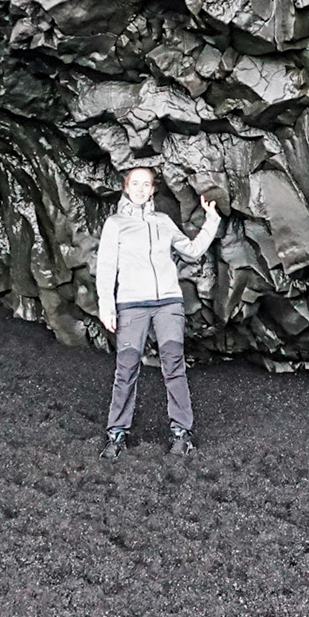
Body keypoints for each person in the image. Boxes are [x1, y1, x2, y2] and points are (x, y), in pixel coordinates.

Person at [94, 166, 221, 459]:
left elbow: (192, 250)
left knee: (174, 365)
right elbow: (106, 267)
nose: (140, 189)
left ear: (153, 190)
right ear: (126, 188)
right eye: (135, 183)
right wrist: (106, 306)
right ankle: (116, 434)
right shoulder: (115, 224)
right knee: (126, 368)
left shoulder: (163, 221)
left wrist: (211, 220)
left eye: (146, 184)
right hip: (131, 304)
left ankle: (181, 433)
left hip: (168, 303)